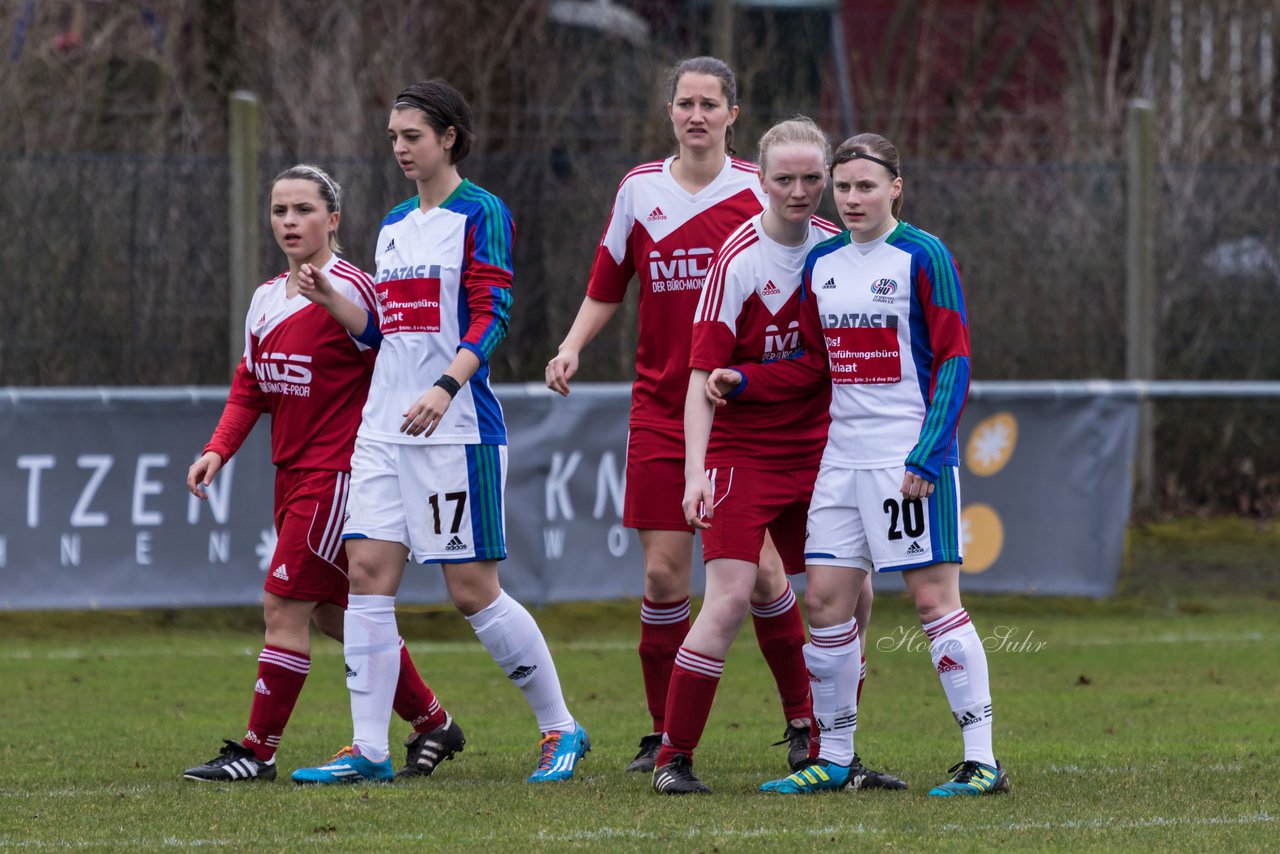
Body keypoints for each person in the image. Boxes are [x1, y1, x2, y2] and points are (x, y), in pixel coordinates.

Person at [289, 78, 588, 785]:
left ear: (449, 136)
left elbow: (493, 315)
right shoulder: (393, 224)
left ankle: (561, 728)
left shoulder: (481, 213)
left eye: (412, 136)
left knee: (470, 588)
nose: (399, 147)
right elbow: (384, 333)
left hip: (456, 431)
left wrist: (446, 386)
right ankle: (367, 748)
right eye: (393, 136)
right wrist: (332, 297)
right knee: (366, 575)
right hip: (384, 428)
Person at [715, 133, 1009, 796]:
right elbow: (815, 364)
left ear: (894, 187)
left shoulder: (923, 254)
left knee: (934, 600)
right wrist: (747, 380)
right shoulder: (822, 261)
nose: (852, 198)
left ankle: (983, 761)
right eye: (843, 187)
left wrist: (930, 453)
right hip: (840, 462)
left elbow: (955, 360)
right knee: (824, 603)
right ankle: (836, 758)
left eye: (866, 186)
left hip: (906, 458)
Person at [546, 56, 813, 774]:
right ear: (670, 112)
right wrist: (570, 346)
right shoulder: (640, 191)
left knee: (760, 577)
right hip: (663, 412)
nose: (697, 115)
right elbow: (607, 283)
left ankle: (803, 724)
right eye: (685, 103)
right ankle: (661, 734)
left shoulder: (764, 191)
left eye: (710, 104)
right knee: (665, 578)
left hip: (741, 418)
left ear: (734, 114)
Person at [650, 118, 906, 795]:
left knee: (853, 598)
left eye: (812, 178)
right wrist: (695, 472)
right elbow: (703, 380)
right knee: (731, 597)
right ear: (758, 180)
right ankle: (672, 758)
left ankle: (831, 750)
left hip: (822, 452)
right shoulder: (738, 259)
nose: (801, 191)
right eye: (785, 178)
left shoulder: (837, 250)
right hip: (744, 455)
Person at [182, 165, 457, 783]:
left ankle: (257, 752)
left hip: (339, 475)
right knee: (334, 613)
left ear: (332, 220)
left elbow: (401, 357)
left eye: (303, 210)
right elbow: (249, 388)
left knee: (282, 605)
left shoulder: (355, 290)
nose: (288, 222)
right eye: (279, 210)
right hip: (291, 474)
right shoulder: (263, 298)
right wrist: (217, 450)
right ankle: (433, 723)